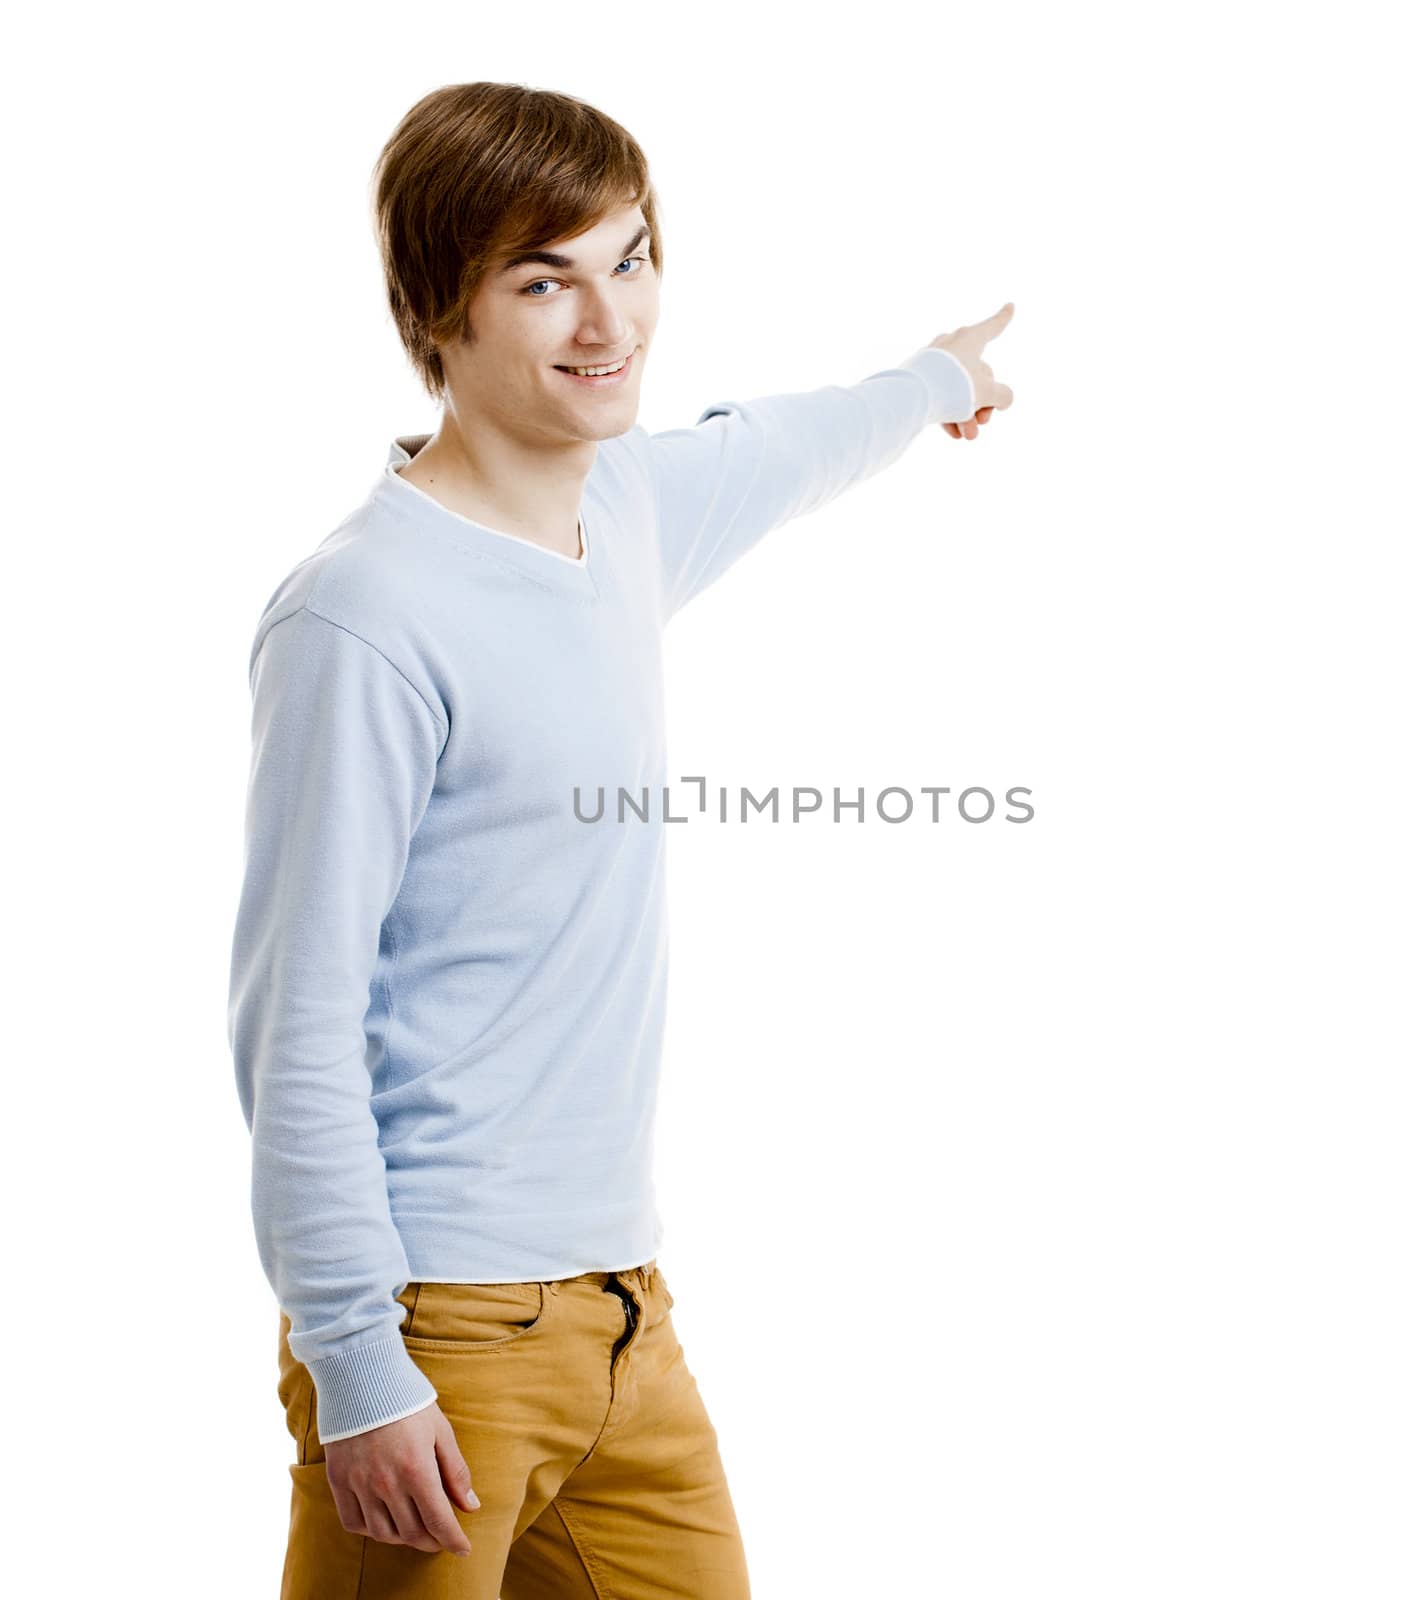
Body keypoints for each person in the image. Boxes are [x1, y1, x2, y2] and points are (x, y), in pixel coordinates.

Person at [228, 80, 1013, 1600]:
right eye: (544, 279)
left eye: (631, 259)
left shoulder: (629, 509)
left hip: (625, 1312)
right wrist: (355, 1361)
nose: (609, 320)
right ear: (434, 313)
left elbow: (787, 444)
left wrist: (933, 379)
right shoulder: (364, 616)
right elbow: (295, 1021)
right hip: (436, 1328)